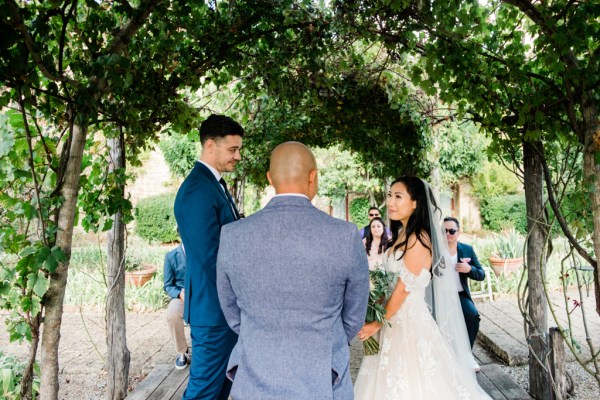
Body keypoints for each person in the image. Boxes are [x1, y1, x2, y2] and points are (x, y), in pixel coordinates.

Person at [217, 141, 370, 400]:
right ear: (313, 177)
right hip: (323, 376)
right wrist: (329, 340)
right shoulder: (343, 235)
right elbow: (354, 313)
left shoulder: (233, 235)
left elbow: (230, 308)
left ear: (269, 178)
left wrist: (260, 332)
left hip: (255, 373)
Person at [354, 177, 491, 400]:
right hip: (391, 318)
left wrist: (378, 322)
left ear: (415, 203)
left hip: (408, 322)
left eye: (398, 197)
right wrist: (374, 308)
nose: (391, 202)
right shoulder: (401, 235)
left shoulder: (419, 239)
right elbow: (387, 284)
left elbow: (403, 289)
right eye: (389, 195)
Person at [174, 114, 243, 400]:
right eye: (233, 149)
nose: (238, 156)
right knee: (203, 392)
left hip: (222, 310)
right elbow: (209, 258)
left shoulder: (214, 184)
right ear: (210, 146)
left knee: (223, 390)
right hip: (213, 311)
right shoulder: (197, 190)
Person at [443, 216, 485, 349]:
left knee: (473, 317)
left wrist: (469, 269)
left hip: (460, 294)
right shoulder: (435, 250)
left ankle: (466, 352)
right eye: (444, 231)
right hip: (441, 295)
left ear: (458, 233)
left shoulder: (467, 249)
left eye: (451, 231)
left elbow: (481, 274)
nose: (448, 234)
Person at [163, 240, 189, 369]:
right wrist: (179, 294)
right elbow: (168, 285)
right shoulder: (171, 256)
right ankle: (181, 352)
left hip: (203, 294)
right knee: (172, 314)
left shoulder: (203, 251)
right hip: (181, 296)